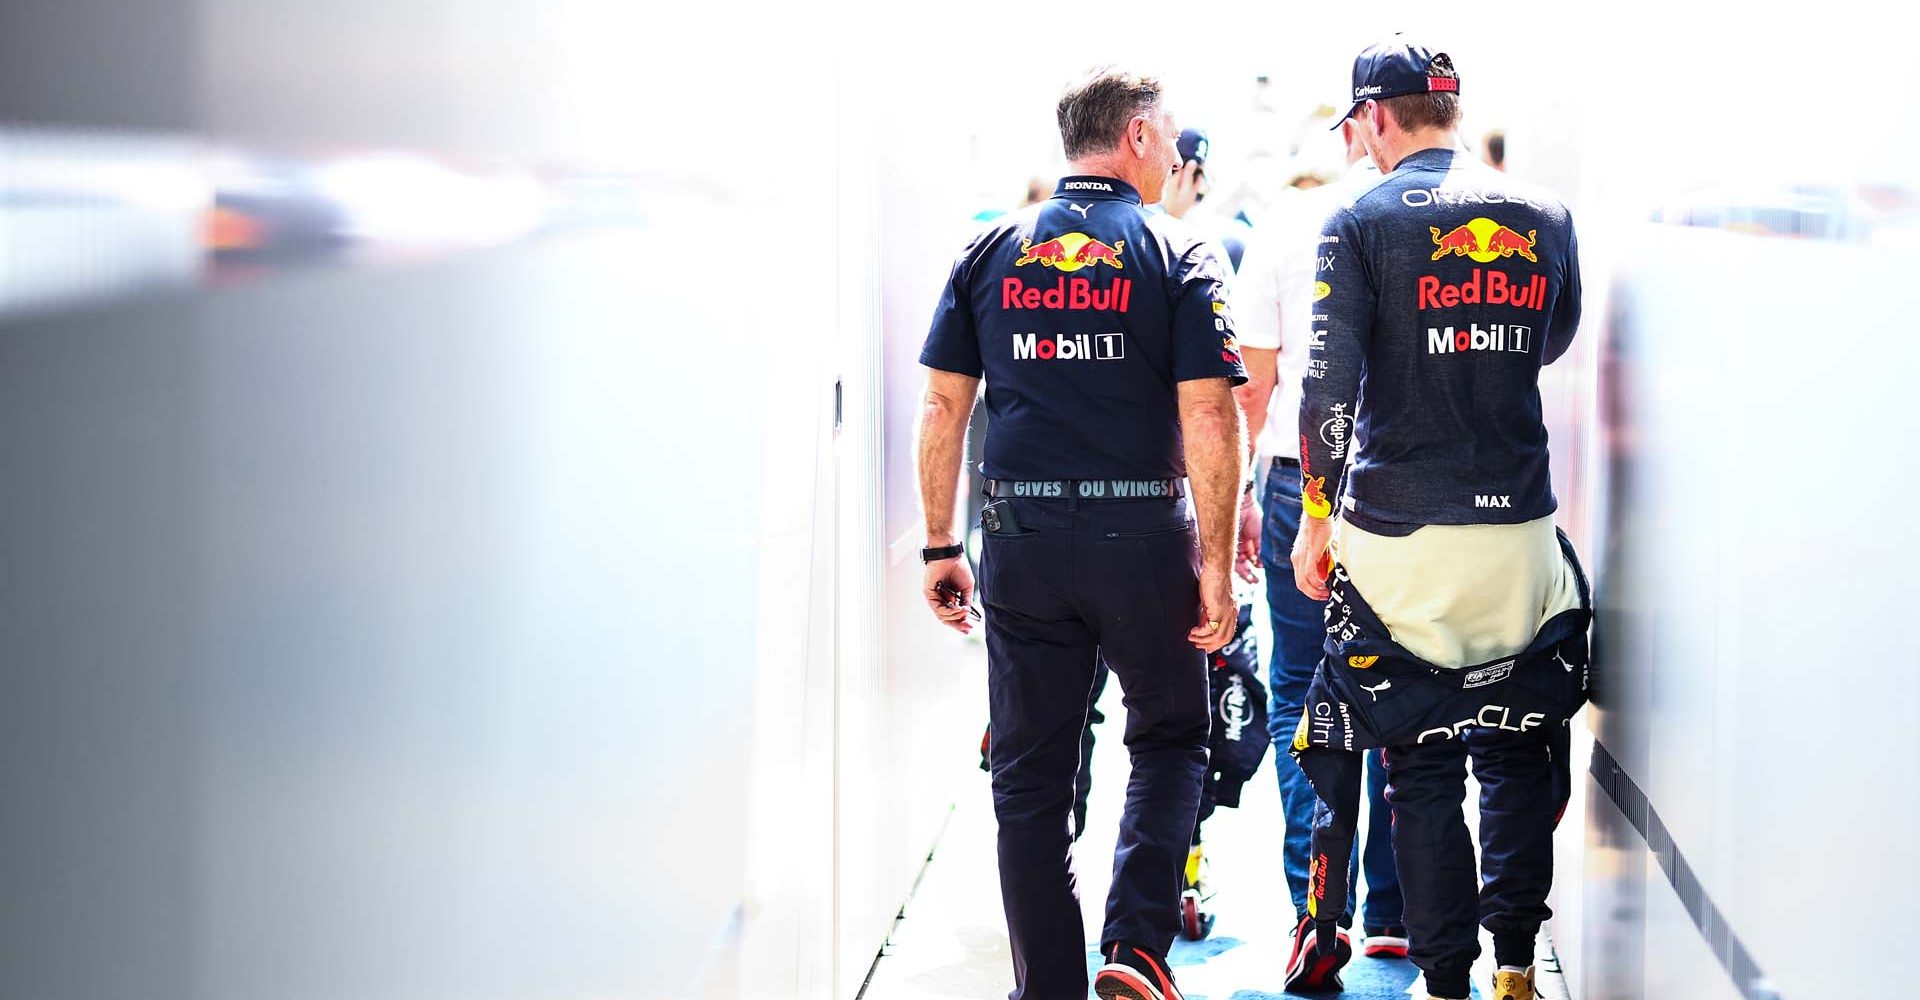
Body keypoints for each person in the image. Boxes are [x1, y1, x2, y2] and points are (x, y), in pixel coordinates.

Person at [915, 66, 1247, 1000]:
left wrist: (941, 544)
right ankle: (1135, 946)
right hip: (1145, 532)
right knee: (1174, 737)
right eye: (1172, 133)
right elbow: (1213, 421)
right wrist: (1215, 570)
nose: (1179, 151)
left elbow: (943, 405)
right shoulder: (1180, 252)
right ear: (1137, 136)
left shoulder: (988, 253)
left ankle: (1050, 986)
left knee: (1028, 776)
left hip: (1020, 535)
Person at [1285, 38, 1588, 1000]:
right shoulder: (1545, 213)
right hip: (1516, 529)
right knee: (1513, 742)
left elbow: (1327, 386)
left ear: (1377, 115)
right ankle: (1512, 970)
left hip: (1399, 537)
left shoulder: (1361, 220)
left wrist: (1314, 516)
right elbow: (1553, 338)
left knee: (1418, 769)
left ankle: (1444, 979)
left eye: (1358, 128)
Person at [1229, 114, 1407, 990]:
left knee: (1305, 693)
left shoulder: (1283, 229)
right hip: (1405, 485)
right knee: (1403, 691)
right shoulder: (1416, 219)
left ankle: (1314, 912)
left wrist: (1233, 512)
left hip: (1299, 474)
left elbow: (1254, 387)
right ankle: (1393, 914)